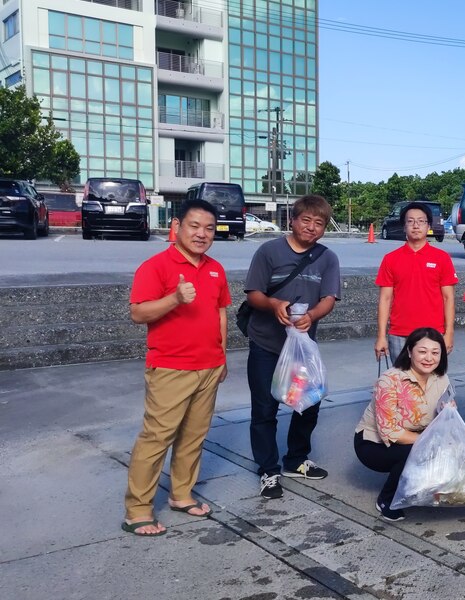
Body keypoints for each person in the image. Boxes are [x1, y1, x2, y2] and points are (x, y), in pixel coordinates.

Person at [122, 199, 230, 536]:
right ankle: (137, 510)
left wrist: (222, 355)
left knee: (193, 437)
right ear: (177, 226)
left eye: (209, 228)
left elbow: (221, 312)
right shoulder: (155, 266)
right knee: (157, 438)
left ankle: (181, 494)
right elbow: (138, 313)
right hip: (170, 367)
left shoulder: (215, 269)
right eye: (194, 226)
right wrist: (174, 299)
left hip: (209, 366)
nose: (202, 234)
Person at [244, 195, 341, 500]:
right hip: (266, 343)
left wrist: (312, 315)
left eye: (319, 223)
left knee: (309, 404)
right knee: (264, 409)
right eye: (306, 220)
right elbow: (253, 293)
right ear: (293, 220)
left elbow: (329, 298)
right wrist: (273, 304)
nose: (312, 228)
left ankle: (295, 459)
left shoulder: (327, 258)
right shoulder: (269, 251)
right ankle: (268, 469)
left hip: (303, 349)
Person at [355, 327, 453, 521]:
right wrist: (429, 443)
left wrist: (449, 413)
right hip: (375, 444)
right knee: (415, 451)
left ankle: (422, 489)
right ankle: (387, 499)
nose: (429, 358)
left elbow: (444, 419)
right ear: (409, 352)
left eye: (435, 353)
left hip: (418, 436)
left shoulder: (441, 379)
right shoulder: (390, 380)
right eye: (422, 351)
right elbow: (389, 431)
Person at [374, 202, 458, 361]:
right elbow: (385, 299)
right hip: (399, 334)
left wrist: (449, 334)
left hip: (432, 334)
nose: (416, 225)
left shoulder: (442, 258)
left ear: (428, 226)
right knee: (402, 383)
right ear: (404, 226)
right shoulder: (391, 259)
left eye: (421, 221)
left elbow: (448, 298)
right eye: (410, 221)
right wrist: (381, 336)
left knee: (431, 383)